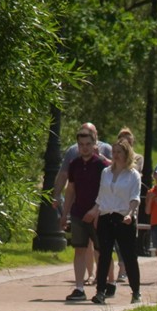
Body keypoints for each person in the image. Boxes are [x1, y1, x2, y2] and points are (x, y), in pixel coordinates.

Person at [50, 123, 107, 301]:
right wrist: (65, 213)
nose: (84, 148)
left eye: (88, 144)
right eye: (81, 145)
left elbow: (107, 190)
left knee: (101, 250)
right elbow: (71, 190)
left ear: (94, 143)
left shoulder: (102, 165)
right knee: (80, 250)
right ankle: (79, 288)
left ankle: (103, 287)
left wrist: (97, 209)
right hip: (78, 212)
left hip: (98, 213)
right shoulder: (74, 164)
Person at [88, 140, 142, 304]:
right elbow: (101, 196)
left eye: (119, 152)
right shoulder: (106, 172)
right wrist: (95, 211)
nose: (116, 155)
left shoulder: (133, 175)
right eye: (114, 152)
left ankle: (136, 292)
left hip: (123, 218)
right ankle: (100, 292)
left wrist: (130, 214)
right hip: (106, 217)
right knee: (104, 255)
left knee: (128, 256)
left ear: (127, 154)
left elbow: (135, 198)